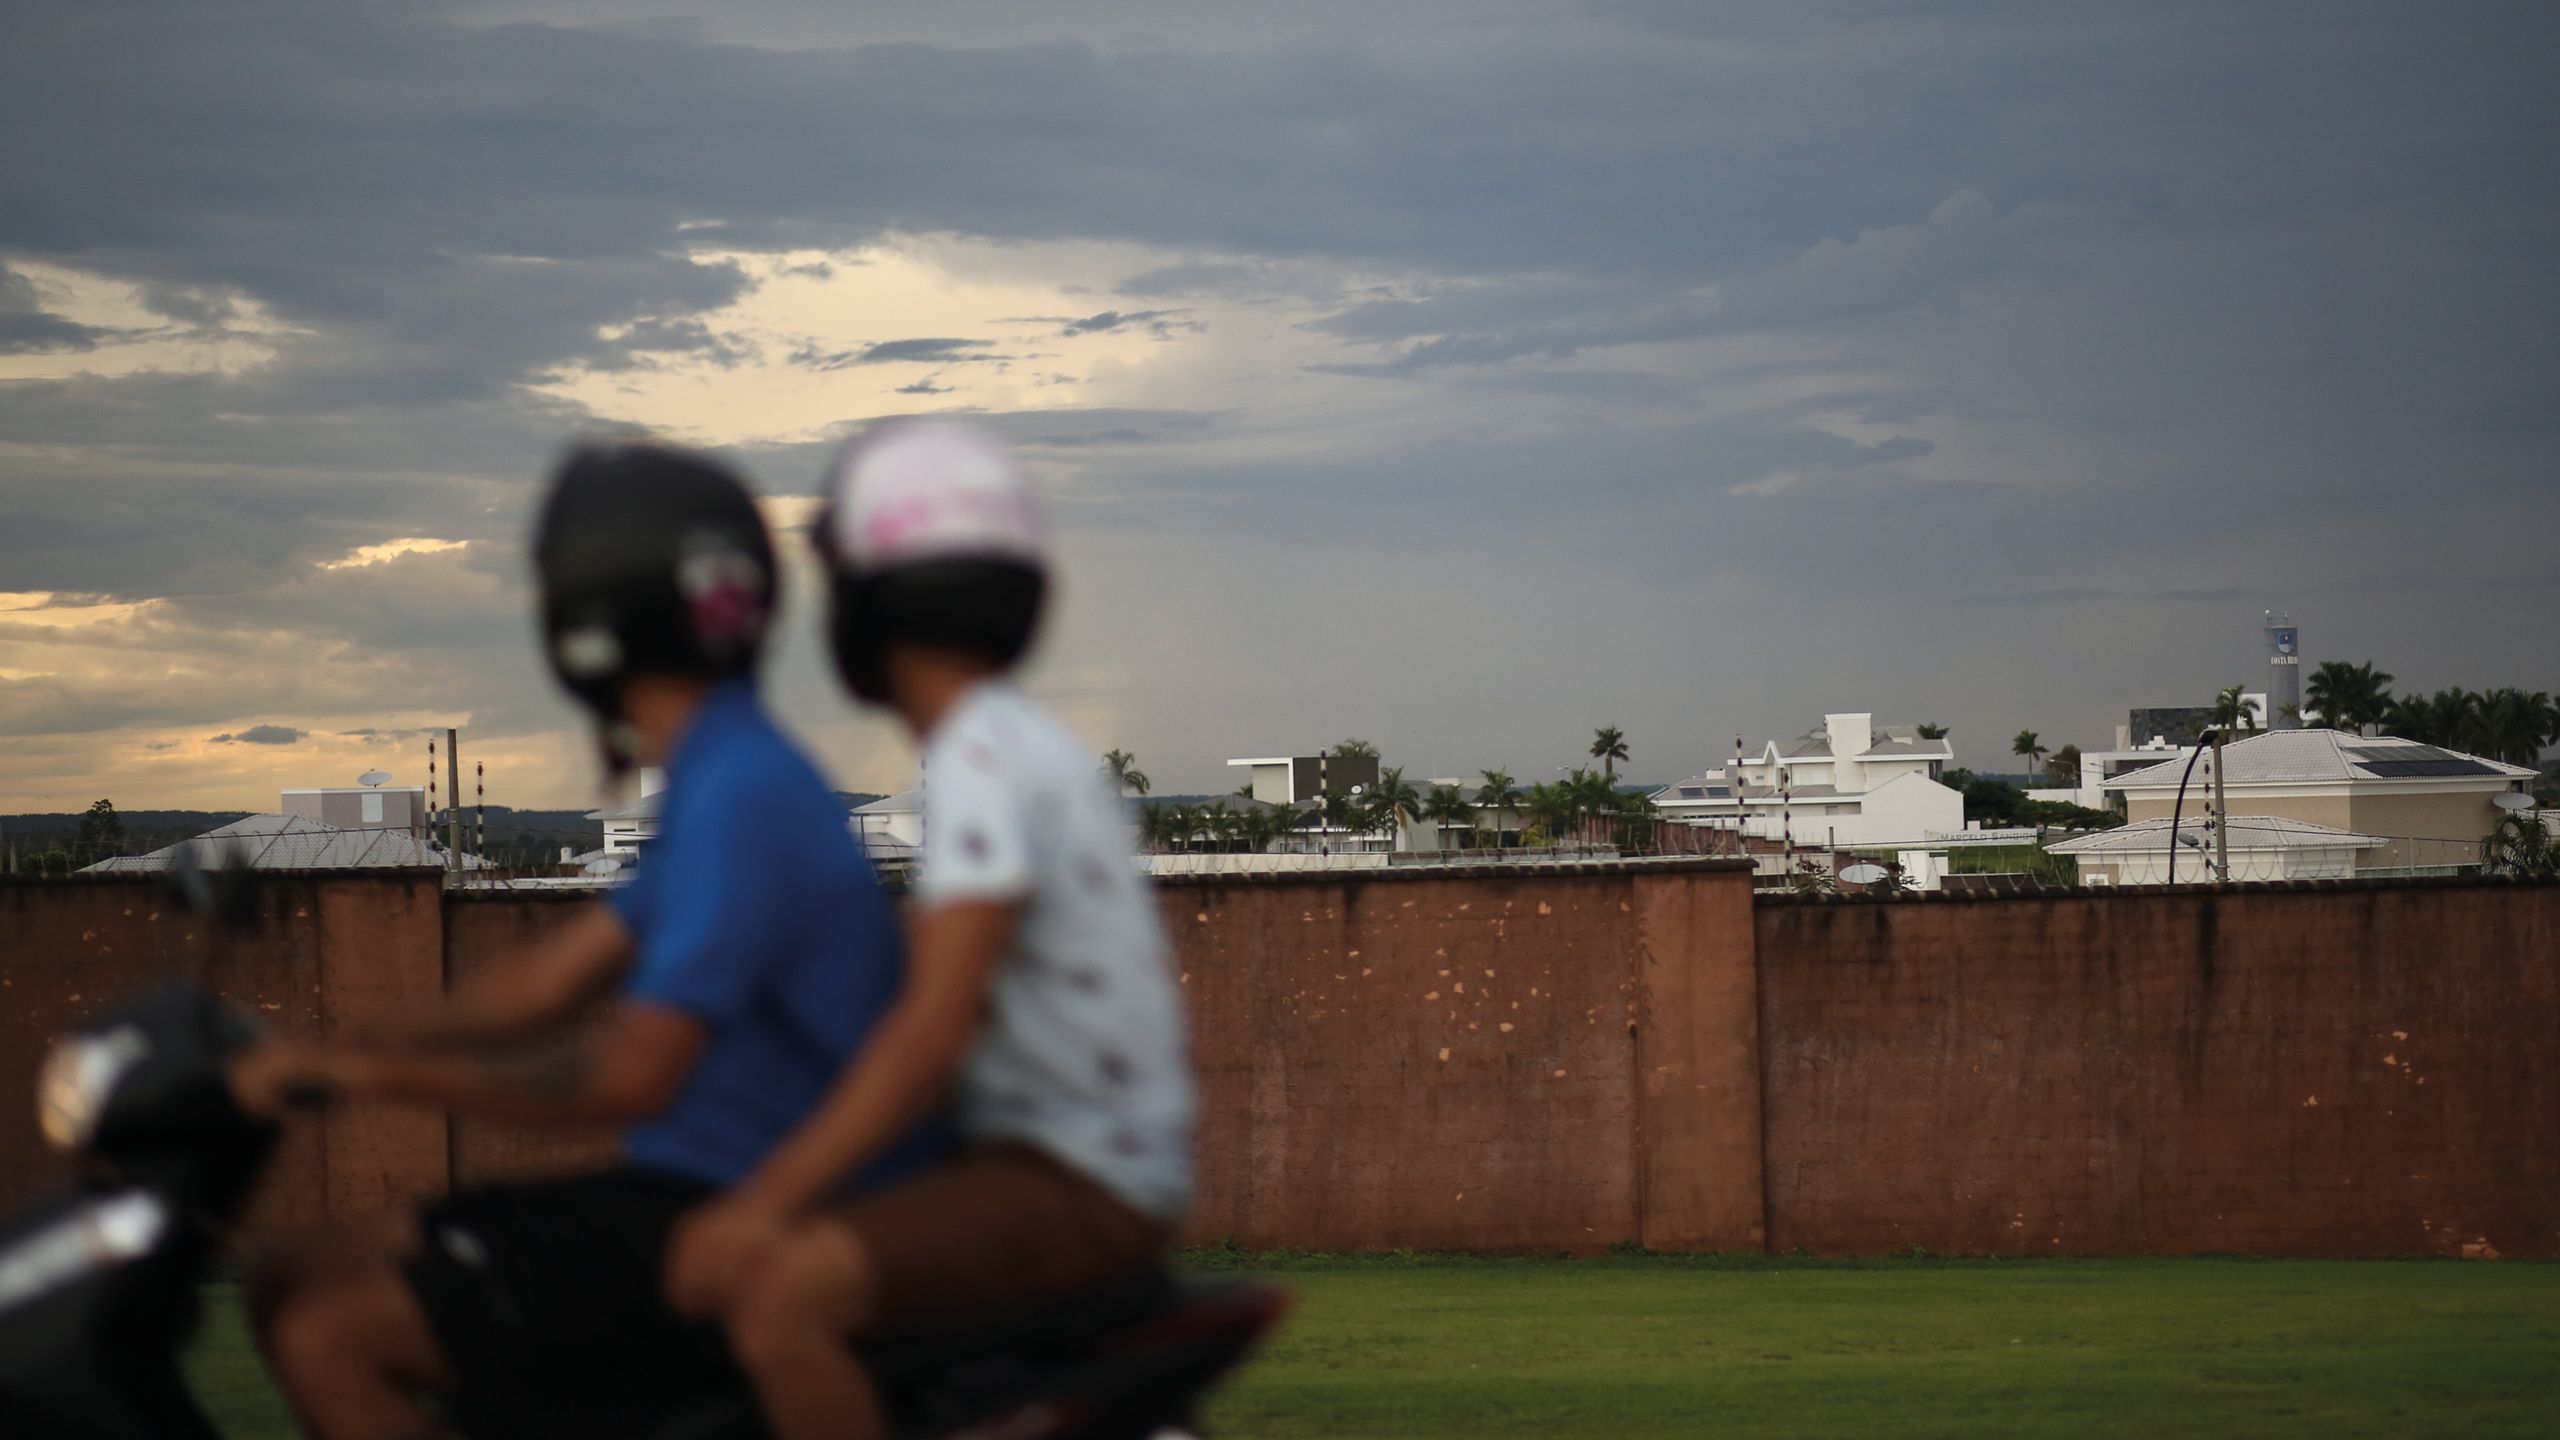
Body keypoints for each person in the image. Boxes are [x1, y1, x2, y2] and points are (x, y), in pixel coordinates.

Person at [231, 444, 938, 1440]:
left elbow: (625, 1077)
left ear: (586, 620)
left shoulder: (740, 794)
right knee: (289, 1270)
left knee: (325, 1332)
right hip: (683, 1184)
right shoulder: (725, 776)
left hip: (741, 1207)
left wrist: (365, 1071)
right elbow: (546, 985)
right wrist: (335, 1047)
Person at [662, 420, 1196, 1440]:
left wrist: (763, 1201)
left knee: (780, 1295)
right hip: (1075, 1162)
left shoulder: (976, 764)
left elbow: (932, 1026)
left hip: (1067, 1180)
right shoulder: (1031, 745)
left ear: (865, 605)